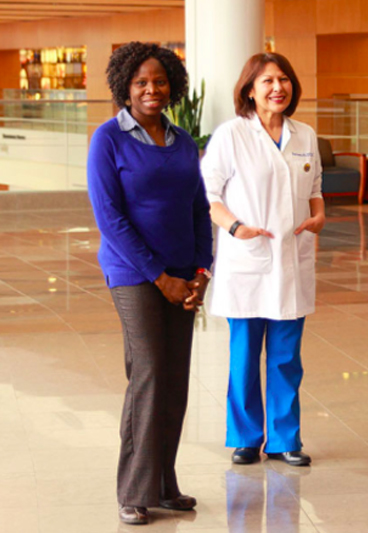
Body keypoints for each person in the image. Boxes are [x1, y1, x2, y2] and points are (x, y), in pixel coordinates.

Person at [87, 42, 213, 526]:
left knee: (175, 379)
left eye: (159, 81)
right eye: (141, 82)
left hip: (183, 274)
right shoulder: (108, 139)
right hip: (133, 273)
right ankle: (134, 491)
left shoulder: (182, 141)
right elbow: (110, 218)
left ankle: (164, 483)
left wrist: (201, 271)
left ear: (172, 86)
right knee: (149, 372)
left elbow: (199, 208)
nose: (151, 89)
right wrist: (160, 277)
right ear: (125, 87)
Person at [201, 52, 325, 468]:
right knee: (244, 358)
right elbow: (208, 194)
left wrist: (319, 213)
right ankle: (245, 437)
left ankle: (285, 440)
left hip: (292, 259)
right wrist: (235, 228)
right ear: (250, 90)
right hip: (248, 262)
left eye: (284, 79)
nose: (277, 88)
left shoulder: (304, 135)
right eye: (268, 81)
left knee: (287, 358)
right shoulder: (232, 134)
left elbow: (315, 185)